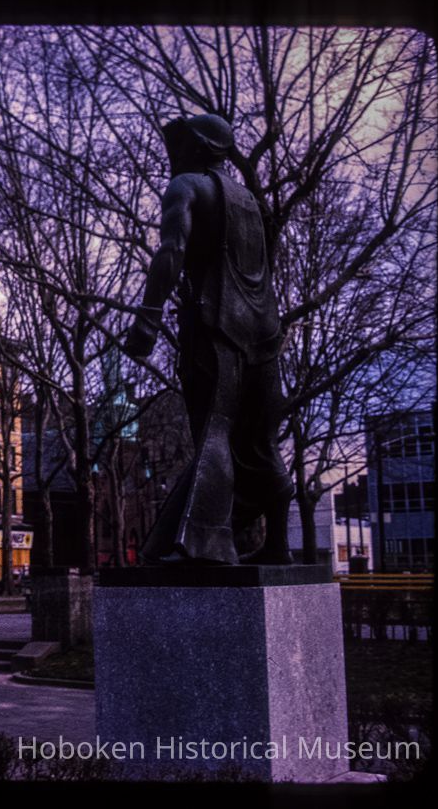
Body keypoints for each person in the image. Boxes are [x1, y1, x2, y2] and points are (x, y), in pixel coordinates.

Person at [125, 113, 294, 565]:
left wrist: (148, 315)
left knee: (214, 429)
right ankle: (277, 543)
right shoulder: (250, 202)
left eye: (179, 145)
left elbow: (172, 250)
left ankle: (205, 543)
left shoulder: (186, 187)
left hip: (215, 324)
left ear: (199, 148)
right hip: (263, 332)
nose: (172, 155)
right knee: (260, 440)